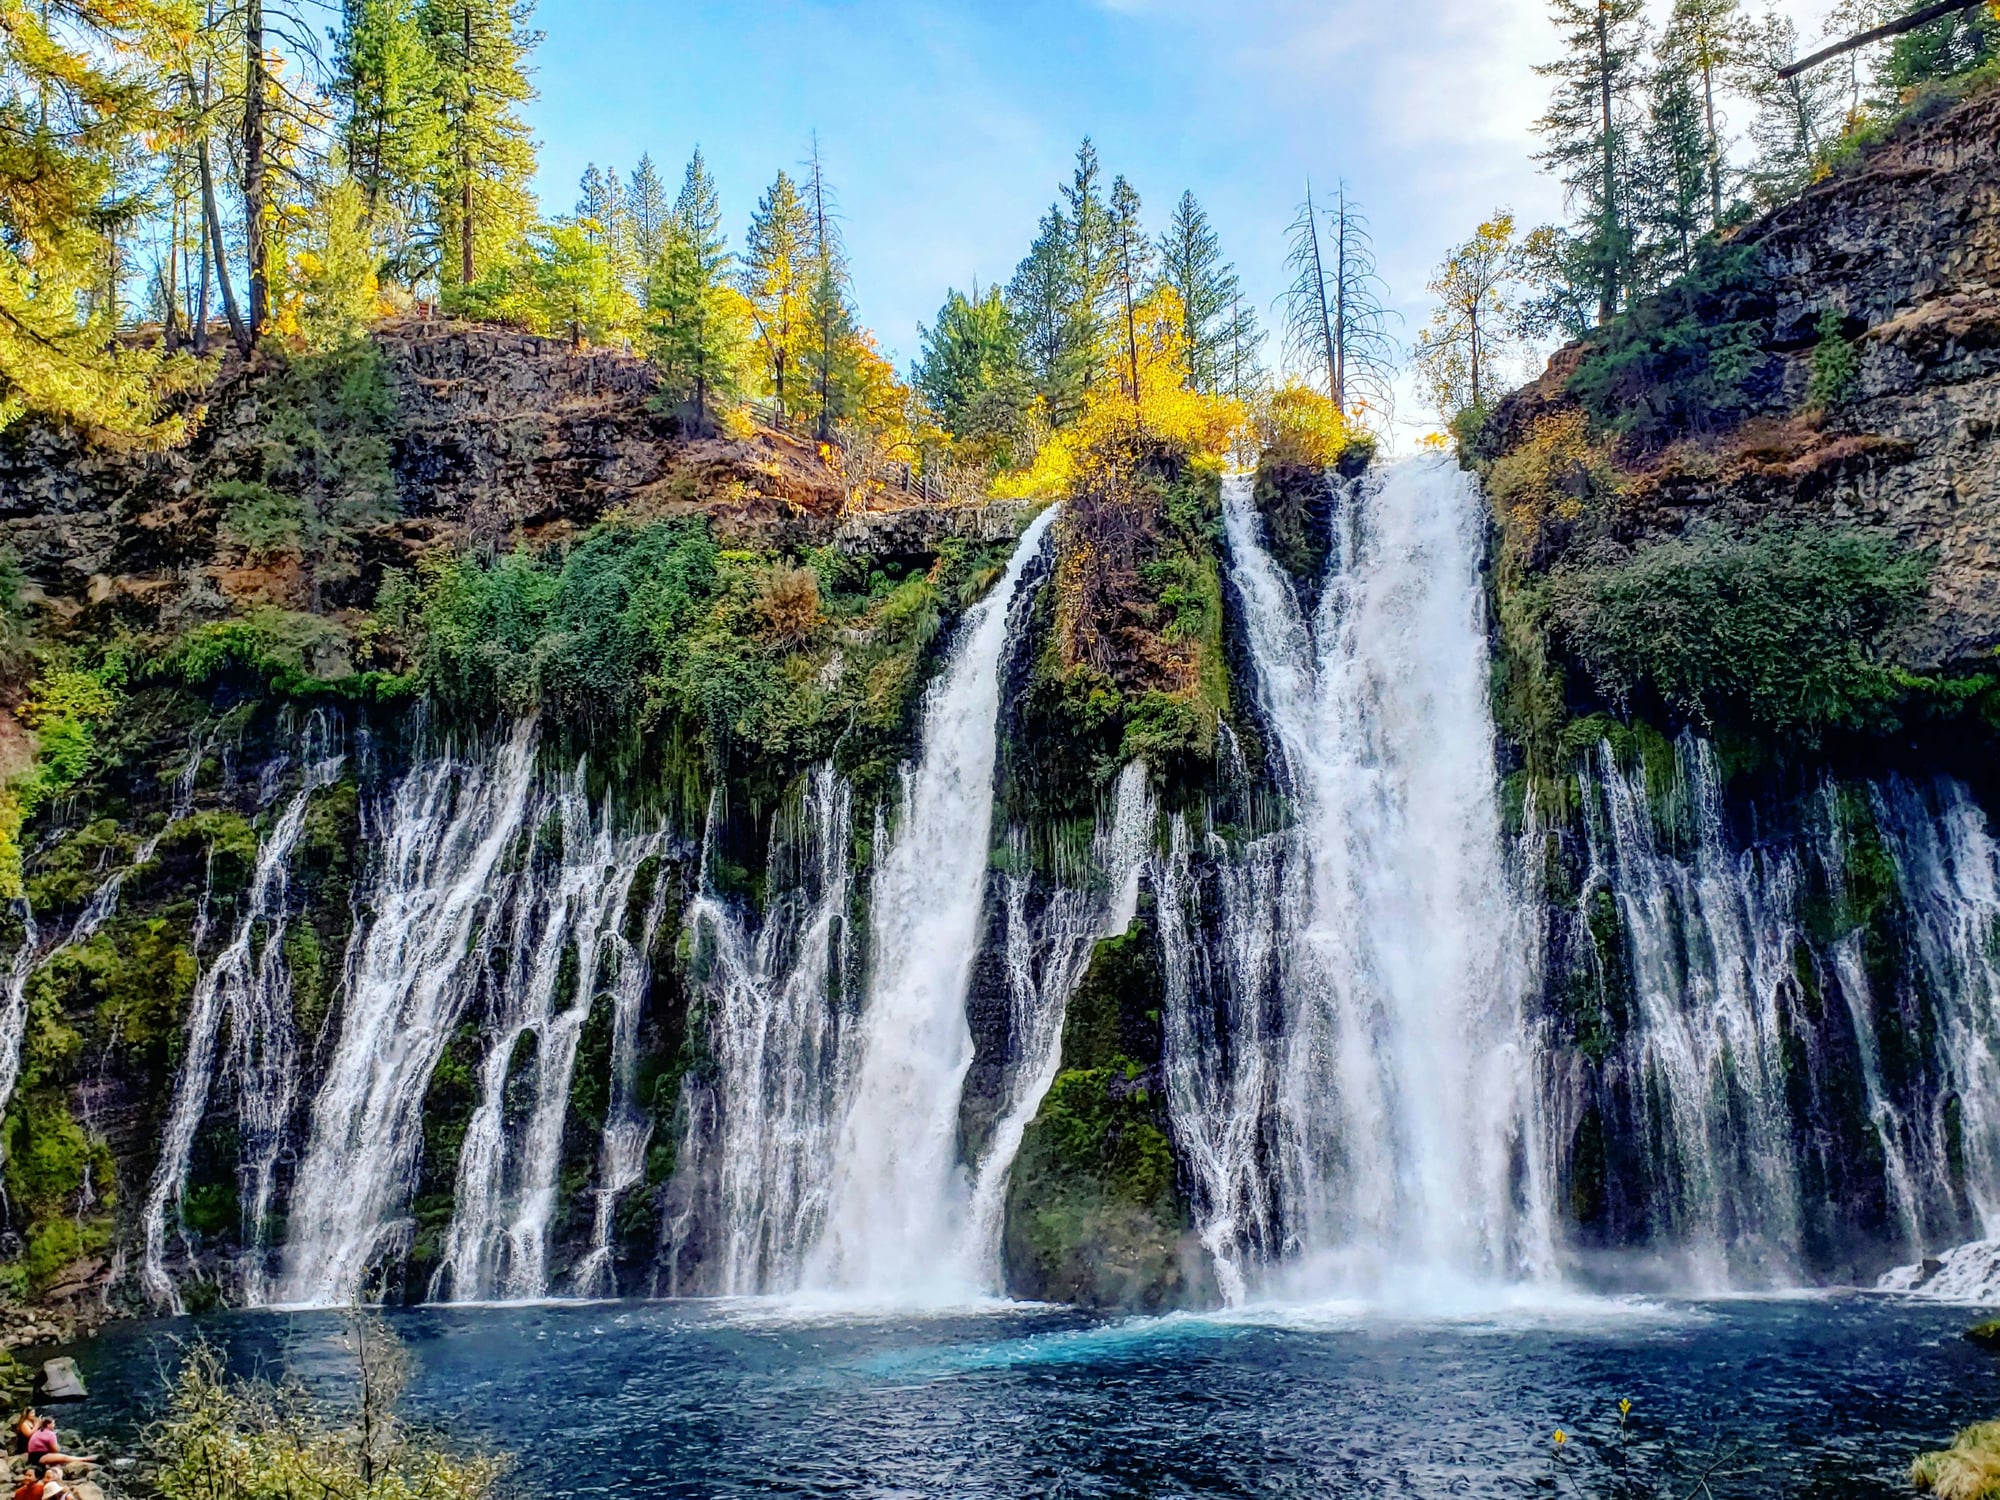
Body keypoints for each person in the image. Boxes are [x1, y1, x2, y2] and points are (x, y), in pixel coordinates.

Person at [22, 1422, 89, 1470]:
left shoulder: (39, 1432)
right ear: (48, 1425)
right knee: (64, 1457)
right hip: (39, 1457)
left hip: (33, 1456)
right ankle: (86, 1459)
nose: (54, 1425)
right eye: (53, 1423)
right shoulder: (50, 1434)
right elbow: (55, 1450)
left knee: (62, 1456)